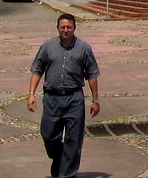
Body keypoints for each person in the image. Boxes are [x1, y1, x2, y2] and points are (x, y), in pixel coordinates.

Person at [27, 13, 101, 178]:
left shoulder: (84, 48)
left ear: (74, 28)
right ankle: (60, 158)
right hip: (52, 99)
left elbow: (92, 75)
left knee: (73, 140)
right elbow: (37, 70)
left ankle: (67, 174)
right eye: (63, 27)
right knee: (48, 135)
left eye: (69, 27)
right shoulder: (48, 46)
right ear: (58, 28)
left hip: (74, 98)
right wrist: (31, 94)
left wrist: (95, 100)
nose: (66, 30)